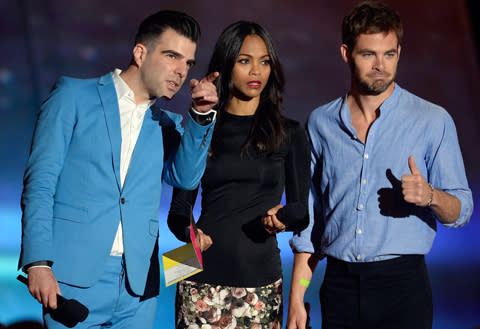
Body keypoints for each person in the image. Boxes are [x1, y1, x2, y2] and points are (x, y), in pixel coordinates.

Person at [19, 10, 219, 329]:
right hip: (74, 280)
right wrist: (38, 262)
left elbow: (185, 177)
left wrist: (201, 116)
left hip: (138, 291)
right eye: (172, 56)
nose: (181, 71)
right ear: (141, 53)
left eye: (189, 63)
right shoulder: (73, 96)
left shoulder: (169, 124)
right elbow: (40, 184)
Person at [287, 2, 473, 329]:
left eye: (389, 54)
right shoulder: (320, 123)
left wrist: (430, 195)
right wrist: (296, 301)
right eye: (368, 54)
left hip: (403, 287)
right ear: (346, 53)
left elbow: (462, 211)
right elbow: (309, 222)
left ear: (399, 52)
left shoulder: (432, 120)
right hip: (339, 285)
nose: (380, 66)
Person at [167, 21, 310, 329]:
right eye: (245, 61)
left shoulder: (290, 132)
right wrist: (190, 234)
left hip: (260, 281)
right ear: (226, 64)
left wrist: (283, 217)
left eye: (264, 61)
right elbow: (178, 211)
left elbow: (302, 213)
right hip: (196, 276)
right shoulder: (202, 127)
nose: (256, 71)